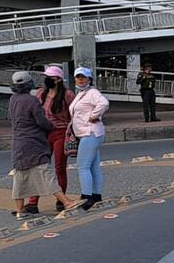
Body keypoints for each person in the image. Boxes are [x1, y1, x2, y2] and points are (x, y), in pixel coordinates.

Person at [8, 71, 78, 217]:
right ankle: (65, 201)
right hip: (34, 141)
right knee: (45, 171)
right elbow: (41, 121)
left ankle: (21, 210)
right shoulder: (34, 99)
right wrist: (51, 126)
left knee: (20, 175)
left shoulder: (13, 99)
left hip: (18, 142)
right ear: (29, 84)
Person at [28, 66, 74, 212]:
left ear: (59, 79)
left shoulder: (67, 95)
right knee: (39, 167)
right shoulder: (41, 93)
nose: (47, 80)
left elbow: (73, 114)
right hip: (43, 133)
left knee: (59, 168)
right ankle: (32, 202)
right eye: (46, 77)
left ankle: (60, 201)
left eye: (51, 77)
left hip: (61, 132)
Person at [69, 67, 110, 211]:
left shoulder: (92, 92)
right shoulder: (81, 94)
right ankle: (96, 195)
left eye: (83, 77)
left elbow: (104, 103)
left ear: (89, 79)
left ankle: (87, 197)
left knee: (82, 166)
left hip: (90, 133)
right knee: (93, 166)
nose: (80, 79)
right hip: (90, 133)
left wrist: (94, 116)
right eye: (78, 77)